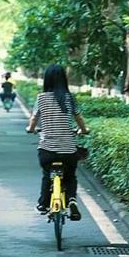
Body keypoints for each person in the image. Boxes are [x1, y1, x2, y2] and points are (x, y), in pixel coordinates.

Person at [25, 64, 89, 221]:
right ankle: (72, 200)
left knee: (47, 175)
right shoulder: (69, 97)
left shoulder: (41, 98)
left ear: (47, 79)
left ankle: (43, 203)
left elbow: (34, 118)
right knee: (70, 176)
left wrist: (31, 129)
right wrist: (84, 130)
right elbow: (78, 118)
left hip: (47, 150)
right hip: (68, 150)